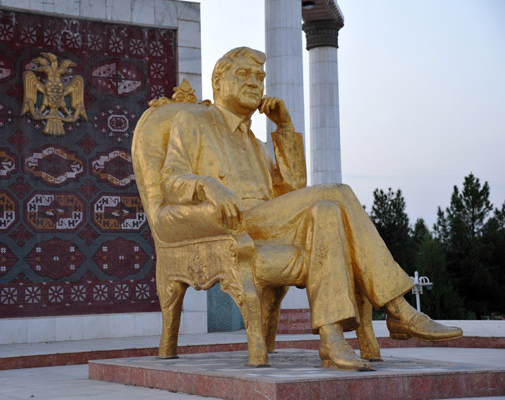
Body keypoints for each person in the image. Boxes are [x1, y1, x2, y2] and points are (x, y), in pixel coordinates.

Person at [160, 47, 462, 370]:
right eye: (244, 75)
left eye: (260, 77)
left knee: (327, 211)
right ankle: (398, 308)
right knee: (339, 192)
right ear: (218, 82)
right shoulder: (192, 121)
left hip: (270, 223)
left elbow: (293, 191)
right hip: (233, 223)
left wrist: (285, 129)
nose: (255, 83)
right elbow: (170, 181)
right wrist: (207, 185)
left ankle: (332, 340)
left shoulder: (255, 143)